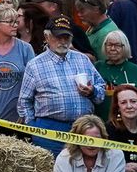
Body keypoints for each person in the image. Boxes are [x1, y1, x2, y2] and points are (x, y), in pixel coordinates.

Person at [18, 16, 105, 149]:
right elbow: (24, 101)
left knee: (83, 168)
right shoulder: (35, 65)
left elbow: (101, 90)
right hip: (49, 129)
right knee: (51, 168)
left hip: (83, 127)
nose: (63, 41)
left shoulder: (83, 59)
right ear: (47, 37)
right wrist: (33, 127)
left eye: (67, 37)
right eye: (58, 37)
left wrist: (92, 91)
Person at [93, 30, 137, 103]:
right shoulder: (97, 67)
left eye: (117, 45)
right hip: (101, 114)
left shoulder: (135, 70)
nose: (113, 48)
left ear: (125, 47)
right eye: (109, 45)